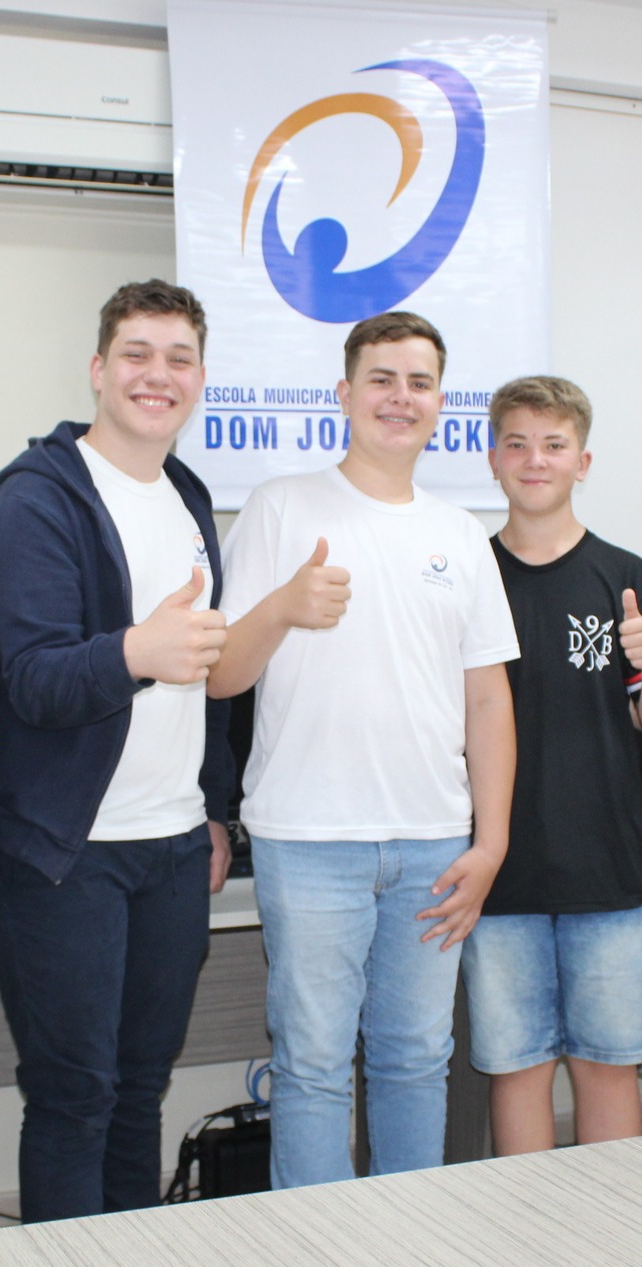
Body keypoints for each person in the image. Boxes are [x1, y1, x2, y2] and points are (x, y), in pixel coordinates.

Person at [210, 311, 518, 1189]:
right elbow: (223, 676)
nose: (400, 397)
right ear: (344, 394)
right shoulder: (280, 506)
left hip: (433, 843)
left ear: (441, 404)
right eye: (381, 378)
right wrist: (282, 607)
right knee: (311, 1064)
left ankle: (405, 1250)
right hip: (309, 840)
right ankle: (317, 1257)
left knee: (417, 1058)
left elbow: (488, 698)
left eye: (419, 382)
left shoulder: (462, 533)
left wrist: (491, 842)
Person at [0, 280, 234, 1222]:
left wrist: (213, 808)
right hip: (68, 855)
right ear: (97, 368)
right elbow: (32, 680)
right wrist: (134, 652)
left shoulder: (188, 496)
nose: (158, 375)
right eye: (137, 354)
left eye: (179, 358)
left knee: (138, 1093)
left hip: (172, 848)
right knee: (73, 1099)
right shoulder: (34, 503)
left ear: (199, 377)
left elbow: (206, 671)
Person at [466, 376, 642, 1155]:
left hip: (606, 867)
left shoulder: (624, 575)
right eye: (517, 443)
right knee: (516, 1068)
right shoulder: (467, 573)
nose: (535, 459)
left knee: (608, 1064)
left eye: (554, 444)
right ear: (493, 458)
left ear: (582, 461)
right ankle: (526, 1226)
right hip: (500, 873)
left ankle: (611, 1222)